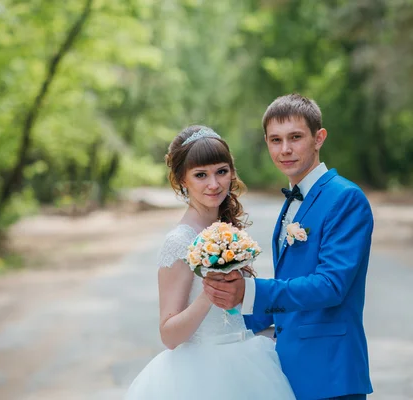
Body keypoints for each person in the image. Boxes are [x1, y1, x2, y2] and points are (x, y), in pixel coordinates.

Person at [203, 94, 374, 399]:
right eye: (275, 140)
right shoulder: (292, 203)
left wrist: (250, 291)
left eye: (295, 137)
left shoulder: (345, 198)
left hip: (331, 372)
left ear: (318, 138)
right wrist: (223, 322)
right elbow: (289, 290)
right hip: (289, 368)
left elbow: (331, 285)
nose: (285, 150)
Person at [124, 125, 295, 399]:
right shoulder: (179, 241)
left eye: (221, 171)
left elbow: (237, 311)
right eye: (201, 175)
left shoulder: (227, 230)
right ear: (182, 179)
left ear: (232, 173)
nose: (214, 184)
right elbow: (169, 335)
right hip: (199, 378)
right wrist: (209, 293)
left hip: (246, 364)